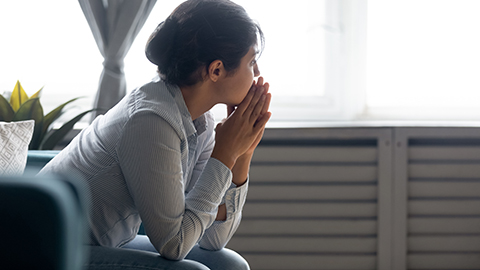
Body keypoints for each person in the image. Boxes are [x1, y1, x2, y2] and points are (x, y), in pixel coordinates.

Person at [38, 0, 271, 269]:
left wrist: (242, 153)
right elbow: (175, 244)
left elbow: (212, 238)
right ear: (216, 69)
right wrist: (225, 154)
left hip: (101, 243)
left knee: (229, 264)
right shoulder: (150, 120)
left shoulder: (200, 120)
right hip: (51, 249)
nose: (257, 74)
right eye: (252, 61)